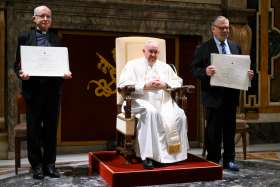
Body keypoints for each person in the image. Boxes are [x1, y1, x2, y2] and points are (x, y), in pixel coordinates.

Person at [14, 5, 72, 179]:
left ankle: (50, 165)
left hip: (52, 92)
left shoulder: (57, 39)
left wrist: (65, 73)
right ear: (34, 19)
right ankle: (37, 166)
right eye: (42, 16)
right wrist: (21, 73)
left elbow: (62, 64)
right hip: (33, 91)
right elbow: (17, 64)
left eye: (48, 16)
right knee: (34, 131)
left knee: (50, 131)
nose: (45, 19)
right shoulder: (25, 38)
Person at [192, 16, 254, 171]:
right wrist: (205, 72)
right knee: (213, 131)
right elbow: (194, 70)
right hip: (213, 97)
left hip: (231, 97)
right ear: (213, 29)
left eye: (227, 27)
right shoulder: (203, 48)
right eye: (222, 28)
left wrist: (248, 75)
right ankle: (213, 160)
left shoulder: (235, 46)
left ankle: (229, 160)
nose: (225, 30)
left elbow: (240, 69)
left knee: (229, 130)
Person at [118, 40, 189, 169]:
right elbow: (123, 84)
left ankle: (173, 155)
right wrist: (145, 86)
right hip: (138, 100)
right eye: (150, 51)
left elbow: (178, 81)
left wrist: (165, 84)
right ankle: (147, 156)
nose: (153, 55)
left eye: (156, 52)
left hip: (163, 102)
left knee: (180, 114)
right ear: (144, 51)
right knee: (151, 113)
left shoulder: (165, 67)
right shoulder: (132, 65)